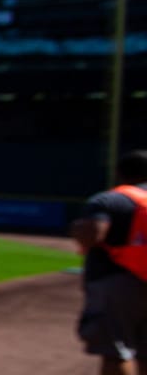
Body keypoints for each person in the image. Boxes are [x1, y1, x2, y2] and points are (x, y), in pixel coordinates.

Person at [74, 150, 147, 375]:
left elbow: (94, 232)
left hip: (119, 282)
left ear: (119, 173)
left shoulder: (112, 198)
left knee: (116, 352)